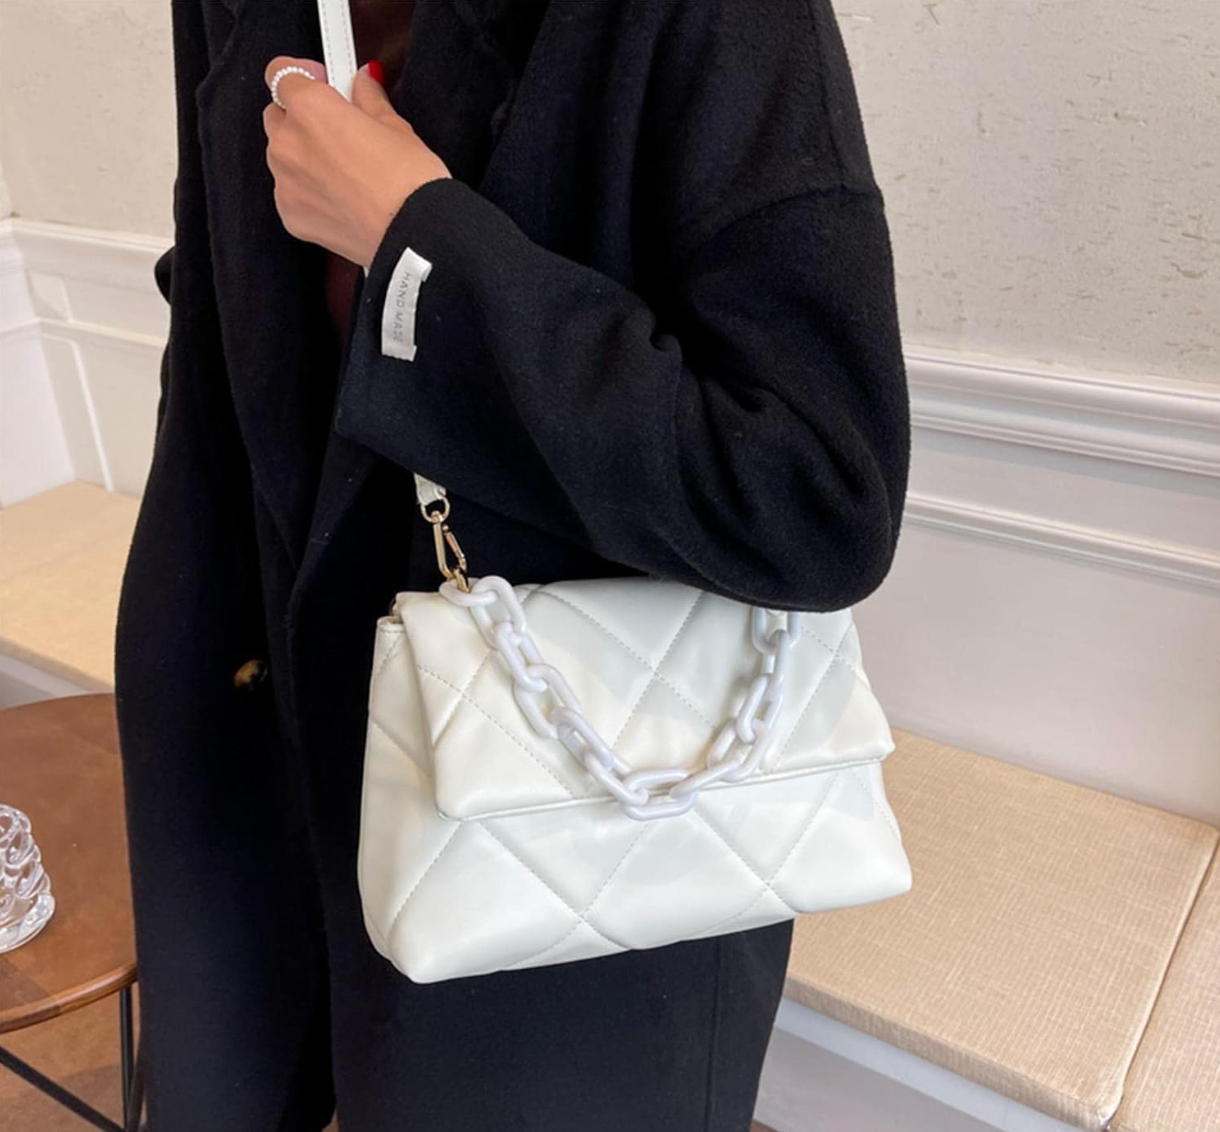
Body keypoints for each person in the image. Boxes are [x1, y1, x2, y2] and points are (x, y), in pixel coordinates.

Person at [113, 1, 910, 1129]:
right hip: (258, 764)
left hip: (573, 842)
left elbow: (816, 496)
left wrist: (417, 244)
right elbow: (218, 339)